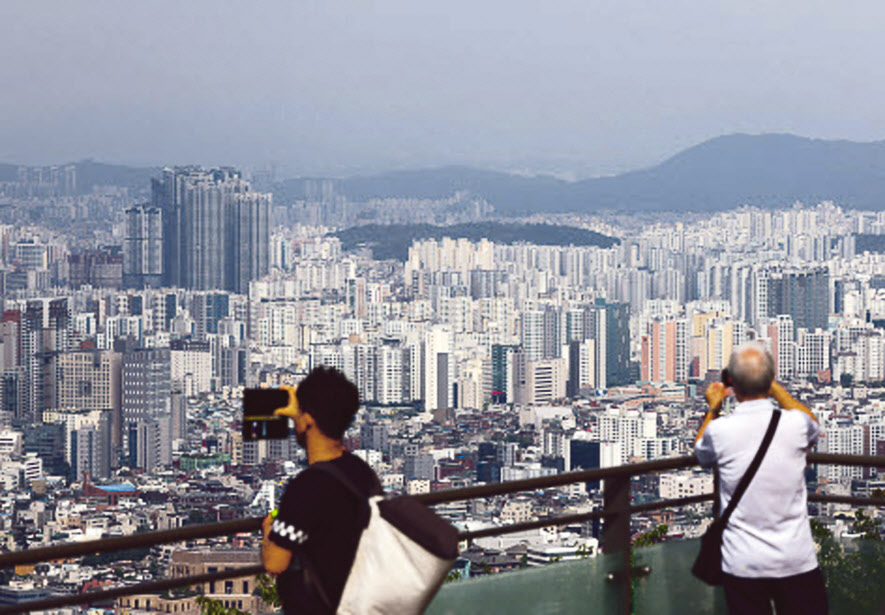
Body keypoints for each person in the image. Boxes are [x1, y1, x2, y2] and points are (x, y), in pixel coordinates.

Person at [694, 342, 828, 615]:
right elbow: (813, 423)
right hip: (795, 558)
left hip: (743, 562)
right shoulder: (796, 424)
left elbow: (701, 452)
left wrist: (713, 408)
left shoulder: (720, 431)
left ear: (730, 381)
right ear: (770, 380)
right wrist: (774, 388)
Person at [261, 367, 382, 614]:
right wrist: (302, 414)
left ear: (309, 420)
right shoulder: (360, 471)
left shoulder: (306, 488)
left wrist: (267, 533)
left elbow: (275, 562)